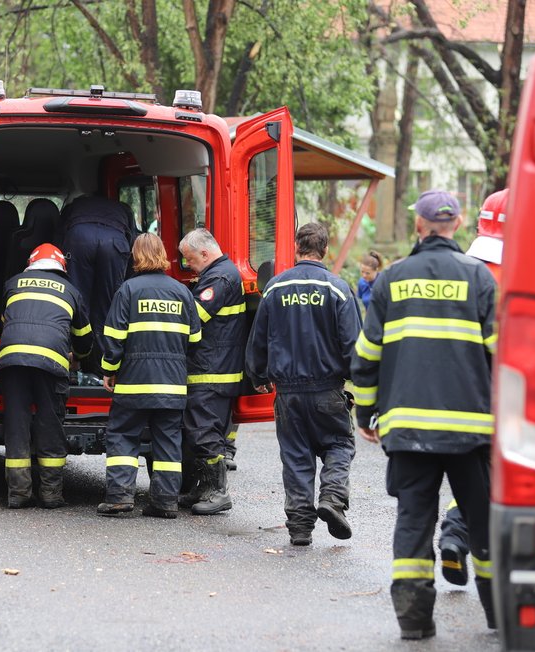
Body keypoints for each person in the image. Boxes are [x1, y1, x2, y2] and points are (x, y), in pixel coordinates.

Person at [351, 189, 498, 640]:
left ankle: (414, 620)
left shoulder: (393, 280)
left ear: (419, 225)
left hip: (408, 428)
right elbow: (500, 357)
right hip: (471, 430)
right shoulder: (479, 279)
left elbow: (367, 353)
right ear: (458, 225)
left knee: (414, 517)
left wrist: (365, 413)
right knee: (483, 519)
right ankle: (499, 615)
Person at [246, 222, 361, 546]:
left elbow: (259, 340)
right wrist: (357, 374)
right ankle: (332, 498)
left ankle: (299, 527)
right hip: (328, 390)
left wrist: (257, 376)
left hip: (288, 393)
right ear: (325, 250)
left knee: (296, 456)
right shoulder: (338, 289)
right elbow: (353, 343)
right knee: (339, 445)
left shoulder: (276, 288)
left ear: (297, 248)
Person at [98, 233, 201, 518]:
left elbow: (114, 338)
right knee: (168, 441)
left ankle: (119, 497)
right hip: (172, 385)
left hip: (133, 383)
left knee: (122, 437)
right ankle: (166, 502)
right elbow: (195, 339)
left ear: (136, 256)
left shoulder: (128, 290)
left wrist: (109, 370)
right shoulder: (182, 292)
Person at [438, 187, 508, 587]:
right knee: (490, 476)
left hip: (451, 393)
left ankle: (454, 531)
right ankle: (460, 534)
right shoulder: (520, 272)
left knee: (471, 473)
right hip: (499, 397)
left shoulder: (461, 267)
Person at [0, 244, 92, 509]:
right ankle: (50, 493)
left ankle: (18, 493)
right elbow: (84, 338)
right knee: (50, 423)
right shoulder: (71, 290)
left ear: (31, 263)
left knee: (17, 423)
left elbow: (6, 321)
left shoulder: (13, 283)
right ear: (61, 266)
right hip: (51, 364)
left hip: (12, 362)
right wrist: (80, 358)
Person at [177, 228, 248, 515]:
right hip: (213, 369)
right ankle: (202, 488)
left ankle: (218, 492)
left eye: (190, 260)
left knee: (204, 431)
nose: (188, 267)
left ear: (205, 254)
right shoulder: (220, 273)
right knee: (198, 430)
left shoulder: (219, 278)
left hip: (211, 371)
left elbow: (194, 319)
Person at [62, 193, 135, 376]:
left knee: (77, 302)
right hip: (114, 242)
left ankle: (72, 367)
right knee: (108, 306)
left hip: (79, 239)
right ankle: (102, 369)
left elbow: (59, 235)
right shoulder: (123, 208)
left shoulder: (75, 204)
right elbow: (133, 240)